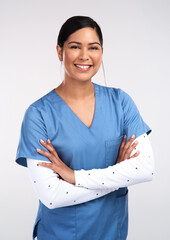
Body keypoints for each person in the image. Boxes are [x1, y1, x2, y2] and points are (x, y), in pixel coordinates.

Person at [15, 16, 155, 240]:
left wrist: (73, 176)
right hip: (60, 234)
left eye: (93, 47)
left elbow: (145, 168)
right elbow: (52, 195)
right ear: (60, 52)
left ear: (101, 52)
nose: (84, 56)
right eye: (74, 47)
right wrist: (118, 174)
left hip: (111, 232)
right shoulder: (38, 114)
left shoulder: (121, 103)